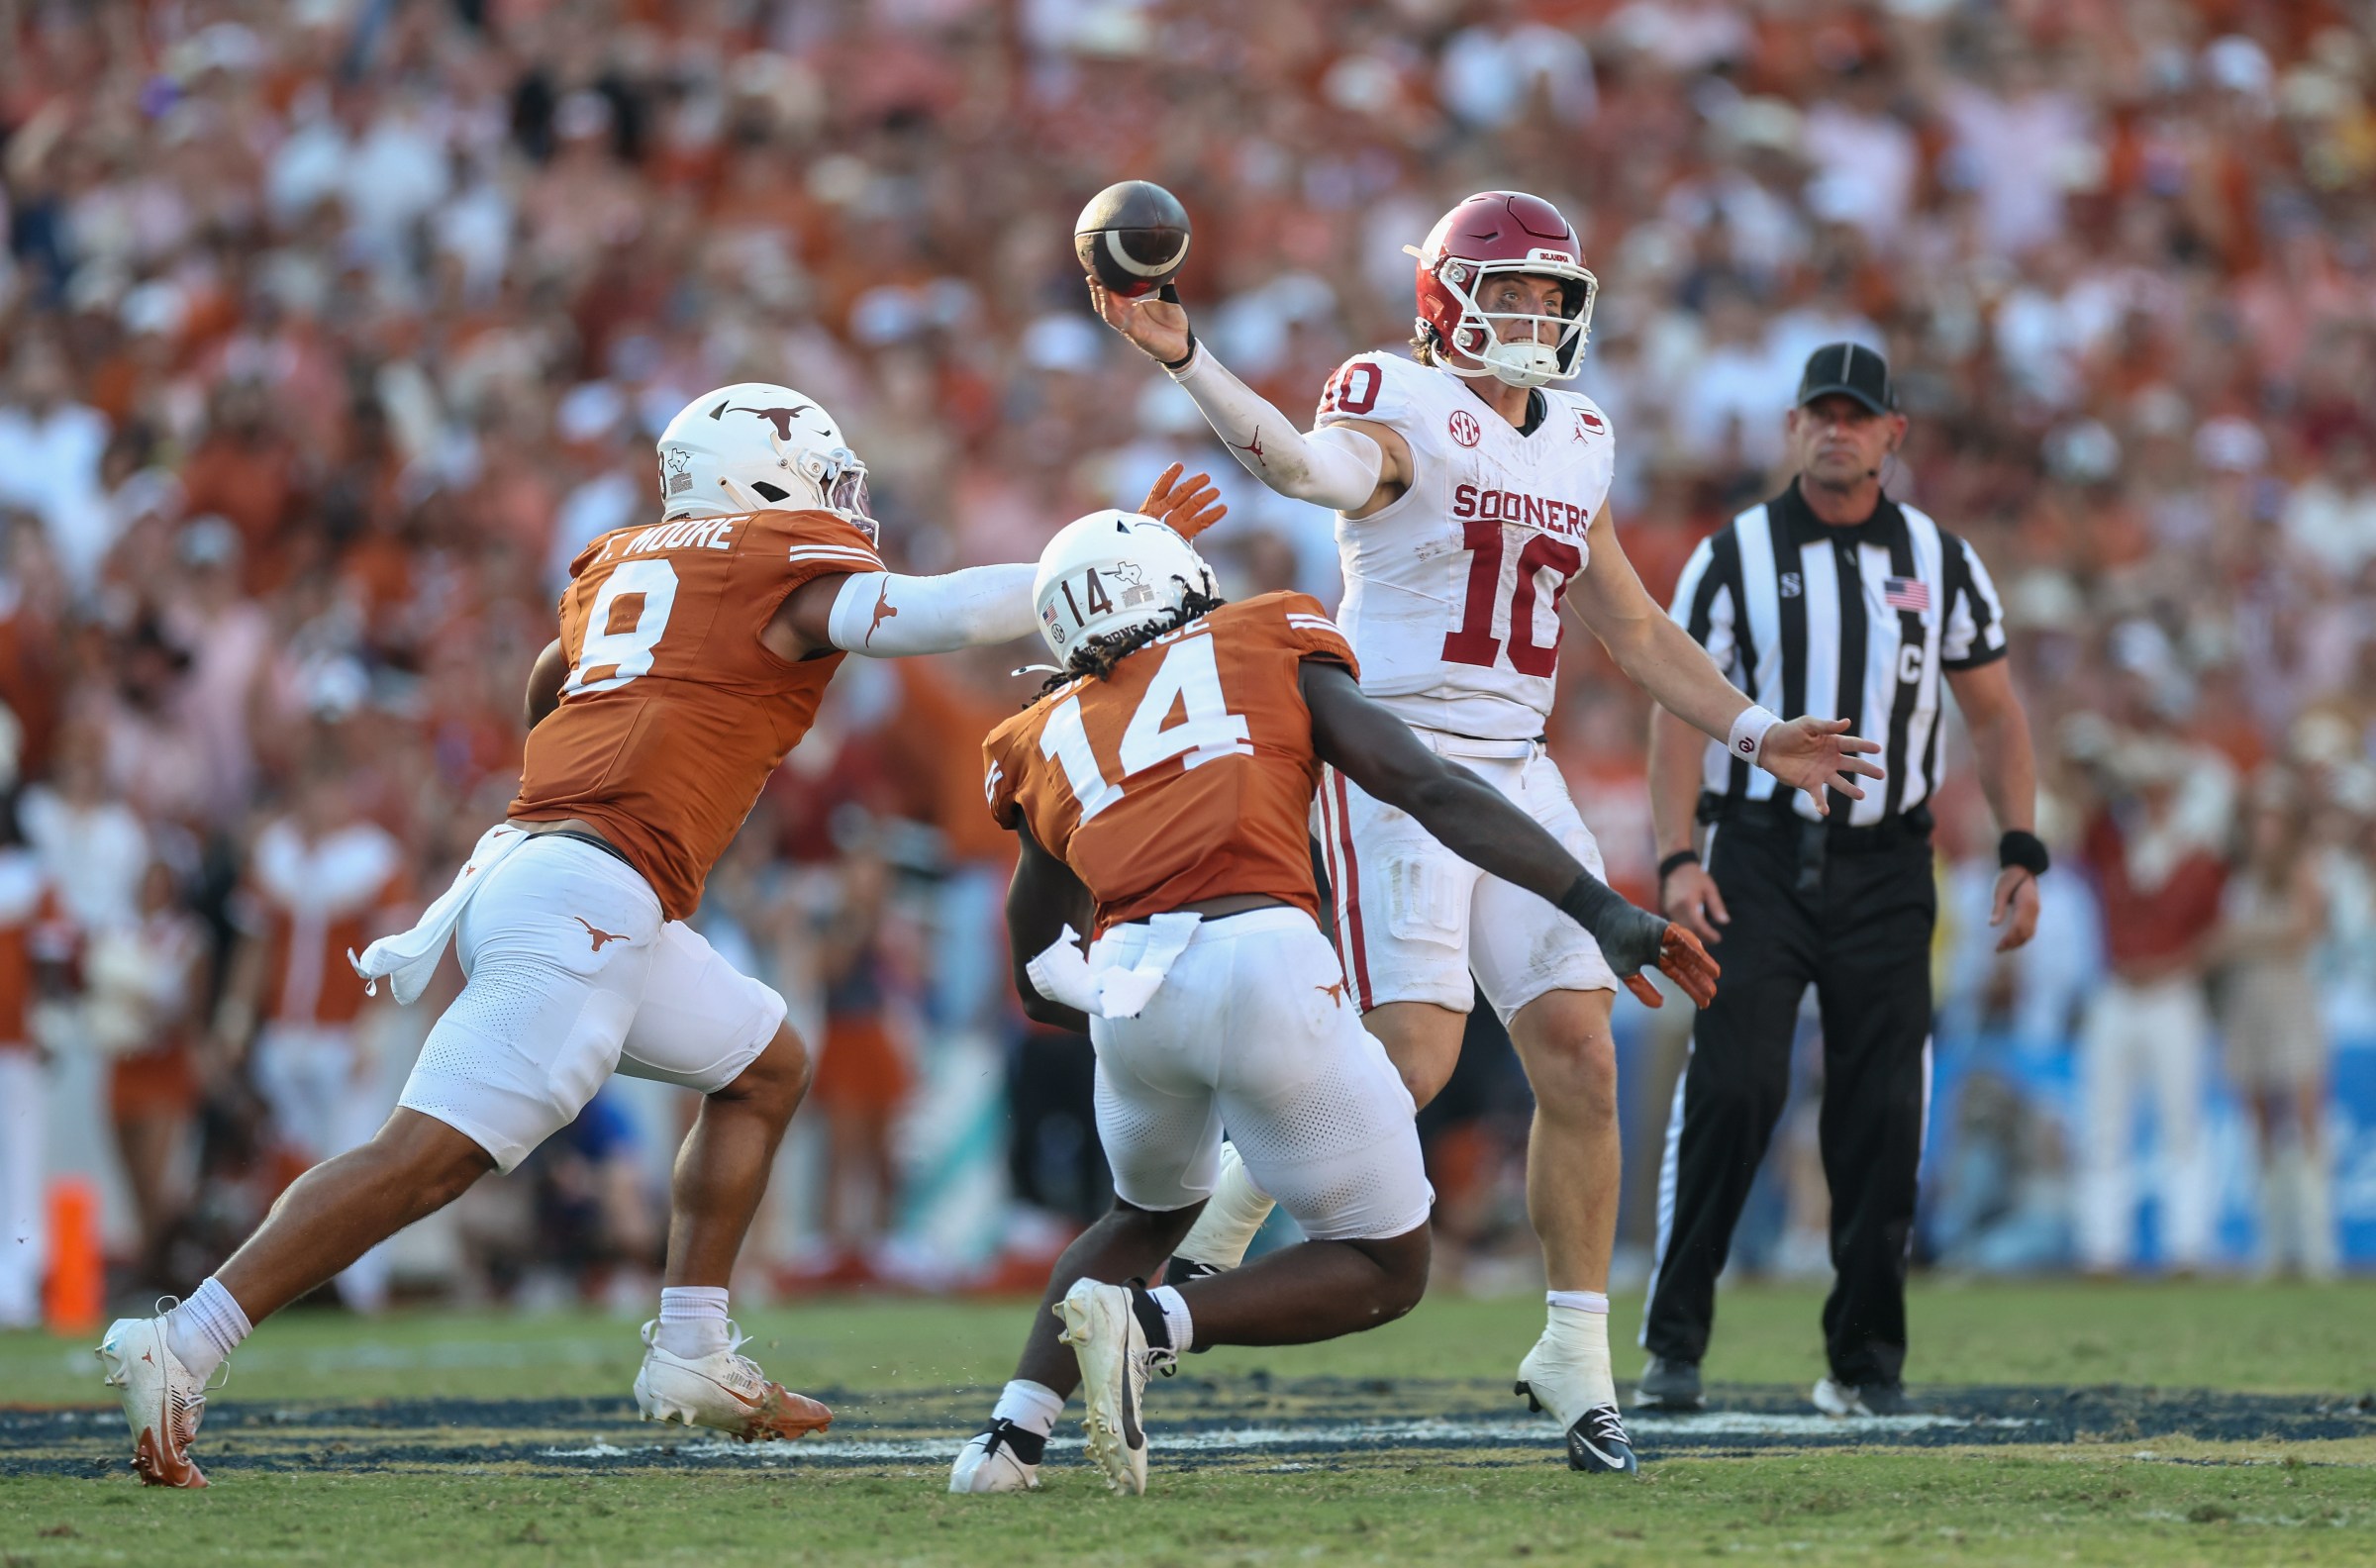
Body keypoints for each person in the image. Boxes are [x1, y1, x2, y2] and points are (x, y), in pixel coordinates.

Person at [95, 385, 1225, 1489]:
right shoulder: (772, 557)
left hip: (562, 868)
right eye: (824, 478)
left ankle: (691, 1344)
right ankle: (186, 1339)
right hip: (588, 885)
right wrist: (1110, 569)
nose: (841, 501)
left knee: (763, 1061)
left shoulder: (620, 558)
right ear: (761, 478)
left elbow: (553, 684)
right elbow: (934, 616)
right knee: (427, 1157)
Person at [1088, 189, 1879, 1467]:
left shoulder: (1577, 434)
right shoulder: (1391, 396)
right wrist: (1186, 356)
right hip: (1397, 756)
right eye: (1507, 291)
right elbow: (1304, 468)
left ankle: (1573, 1354)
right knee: (1409, 1062)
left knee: (1581, 1048)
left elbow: (1627, 626)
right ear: (1445, 297)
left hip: (1516, 760)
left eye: (1548, 295)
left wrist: (1754, 731)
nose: (1532, 313)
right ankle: (1212, 1239)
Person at [951, 510, 1718, 1495]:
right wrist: (1596, 905)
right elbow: (1423, 785)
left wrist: (1118, 1014)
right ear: (1179, 578)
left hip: (1127, 983)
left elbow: (1034, 967)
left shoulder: (1035, 732)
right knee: (1385, 1264)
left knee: (1139, 1218)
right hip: (1262, 951)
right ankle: (1150, 1323)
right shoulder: (1268, 630)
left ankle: (1006, 1446)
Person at [1640, 343, 2044, 1417]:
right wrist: (1678, 856)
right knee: (1732, 1089)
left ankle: (1865, 1363)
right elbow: (1678, 710)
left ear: (1891, 434)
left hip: (1888, 864)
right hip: (1760, 859)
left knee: (1881, 1115)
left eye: (1857, 416)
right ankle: (1673, 1343)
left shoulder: (1940, 558)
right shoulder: (1732, 555)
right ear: (1792, 426)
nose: (1838, 430)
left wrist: (2020, 845)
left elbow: (1996, 711)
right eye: (1821, 413)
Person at [2209, 772, 2335, 1279]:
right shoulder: (2237, 876)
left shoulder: (2302, 869)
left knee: (2304, 1122)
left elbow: (2301, 934)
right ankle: (2273, 1246)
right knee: (2258, 1123)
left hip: (2288, 998)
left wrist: (2240, 941)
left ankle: (2316, 1247)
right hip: (2248, 1002)